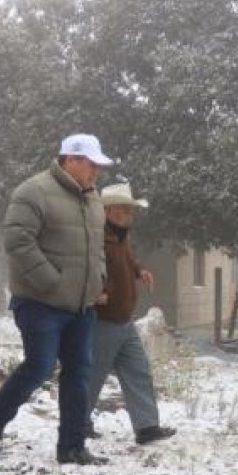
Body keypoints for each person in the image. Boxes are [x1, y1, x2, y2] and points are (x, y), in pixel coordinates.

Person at [0, 134, 112, 465]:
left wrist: (98, 280)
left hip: (82, 305)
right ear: (71, 160)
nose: (96, 171)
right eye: (92, 164)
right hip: (40, 302)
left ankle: (71, 447)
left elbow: (97, 249)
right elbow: (17, 241)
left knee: (79, 372)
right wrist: (51, 282)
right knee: (39, 367)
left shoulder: (93, 199)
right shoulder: (33, 191)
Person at [85, 183, 177, 445]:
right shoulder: (97, 238)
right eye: (125, 209)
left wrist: (139, 271)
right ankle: (77, 423)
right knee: (92, 376)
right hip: (103, 320)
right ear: (109, 210)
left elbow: (126, 259)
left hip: (124, 319)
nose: (130, 215)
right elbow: (87, 270)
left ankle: (147, 427)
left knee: (139, 371)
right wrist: (96, 293)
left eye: (130, 210)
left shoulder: (120, 236)